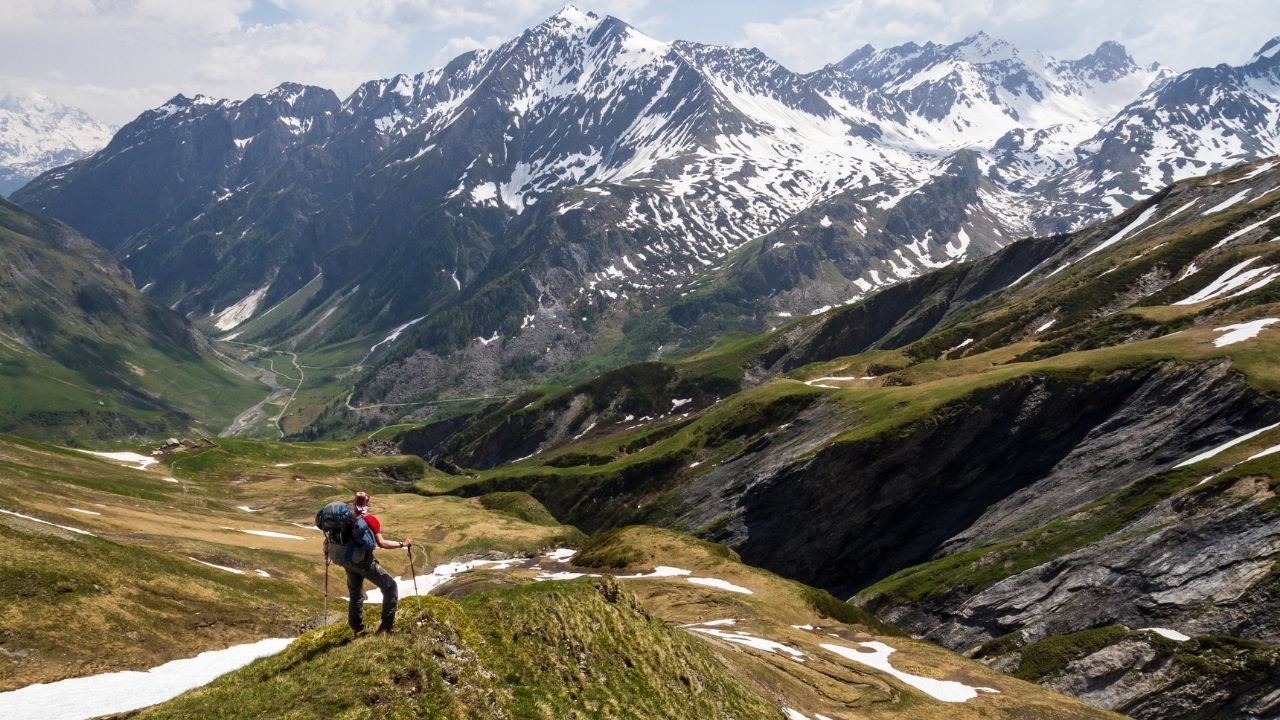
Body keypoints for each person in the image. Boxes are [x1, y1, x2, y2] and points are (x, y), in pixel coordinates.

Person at [324, 491, 413, 635]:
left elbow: (327, 541)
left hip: (348, 562)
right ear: (367, 504)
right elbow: (382, 544)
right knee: (390, 587)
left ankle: (358, 630)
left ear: (354, 503)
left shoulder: (343, 519)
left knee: (356, 595)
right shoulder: (370, 520)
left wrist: (327, 555)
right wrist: (403, 544)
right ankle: (386, 628)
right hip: (364, 562)